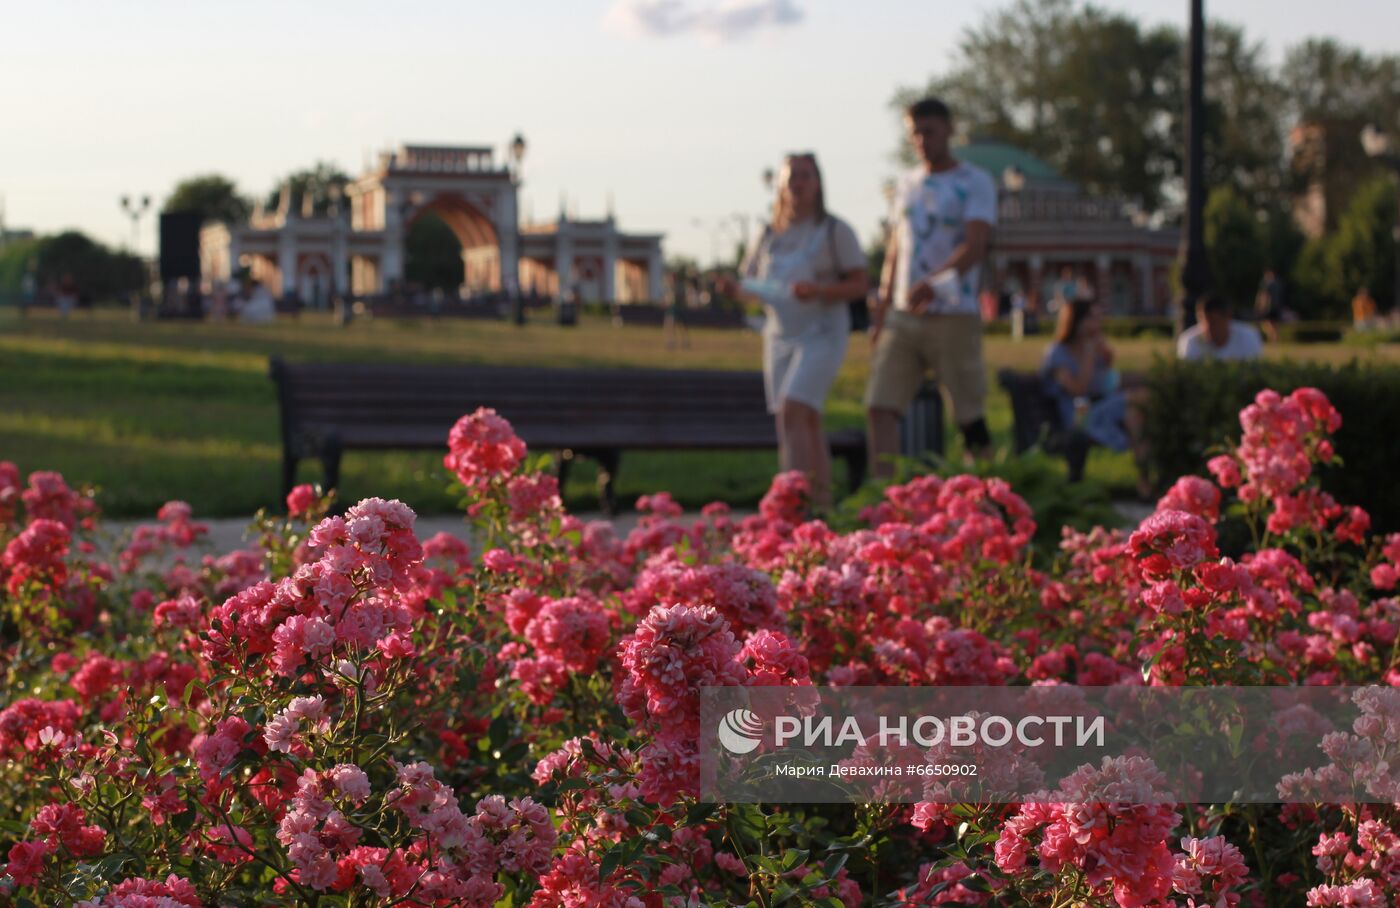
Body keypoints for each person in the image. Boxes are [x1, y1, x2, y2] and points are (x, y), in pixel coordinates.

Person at [717, 152, 867, 511]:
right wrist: (733, 291)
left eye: (805, 176)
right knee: (808, 419)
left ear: (817, 184)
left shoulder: (834, 230)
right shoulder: (769, 234)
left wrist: (820, 290)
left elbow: (860, 284)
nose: (797, 184)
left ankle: (792, 505)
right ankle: (823, 506)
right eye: (791, 177)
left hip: (823, 331)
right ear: (780, 186)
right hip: (781, 335)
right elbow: (755, 286)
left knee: (792, 410)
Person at [865, 96, 996, 477]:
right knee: (880, 405)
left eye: (929, 131)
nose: (922, 141)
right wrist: (883, 306)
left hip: (954, 313)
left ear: (949, 130)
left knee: (968, 414)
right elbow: (896, 248)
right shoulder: (906, 183)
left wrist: (934, 284)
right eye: (915, 133)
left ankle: (983, 492)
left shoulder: (973, 181)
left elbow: (975, 244)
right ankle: (885, 493)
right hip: (904, 315)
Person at [1041, 300, 1152, 496]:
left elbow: (1104, 382)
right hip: (1079, 415)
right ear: (1076, 321)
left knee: (1134, 414)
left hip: (1100, 406)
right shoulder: (1058, 352)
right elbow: (1078, 390)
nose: (1097, 323)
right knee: (1140, 398)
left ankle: (1144, 481)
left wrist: (1106, 358)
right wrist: (1089, 354)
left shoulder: (1093, 346)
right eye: (1091, 318)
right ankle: (1146, 482)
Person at [1177, 294, 1263, 361]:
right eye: (1203, 322)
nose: (1208, 328)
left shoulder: (1249, 337)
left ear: (1228, 317)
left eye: (1214, 322)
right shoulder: (1189, 341)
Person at [1254, 268, 1283, 342]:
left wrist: (1260, 306)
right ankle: (1275, 339)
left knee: (1265, 322)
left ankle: (1272, 337)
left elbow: (1264, 295)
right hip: (1277, 307)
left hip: (1268, 307)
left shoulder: (1266, 284)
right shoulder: (1278, 283)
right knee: (1274, 324)